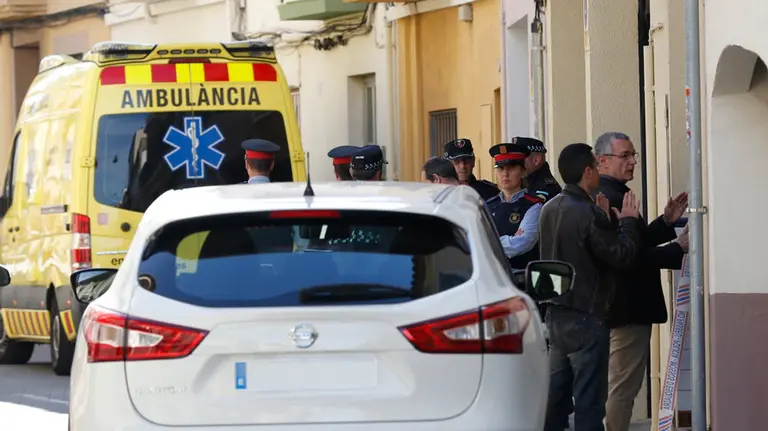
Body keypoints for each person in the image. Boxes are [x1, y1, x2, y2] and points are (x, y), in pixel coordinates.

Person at [538, 142, 644, 431]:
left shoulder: (549, 209)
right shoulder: (587, 212)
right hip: (586, 316)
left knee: (555, 402)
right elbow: (621, 256)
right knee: (588, 403)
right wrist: (627, 223)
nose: (599, 171)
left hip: (556, 315)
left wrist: (605, 222)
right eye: (596, 166)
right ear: (588, 171)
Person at [593, 132, 689, 431]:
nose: (633, 161)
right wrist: (677, 249)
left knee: (618, 385)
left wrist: (665, 223)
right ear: (602, 161)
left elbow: (635, 243)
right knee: (622, 388)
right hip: (626, 306)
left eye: (633, 155)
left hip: (618, 306)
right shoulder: (608, 198)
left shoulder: (612, 193)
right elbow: (627, 257)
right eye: (625, 156)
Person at [484, 143, 544, 270]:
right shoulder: (488, 205)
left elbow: (523, 242)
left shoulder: (533, 206)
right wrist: (511, 239)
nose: (505, 174)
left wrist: (487, 245)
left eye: (511, 168)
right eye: (500, 168)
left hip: (521, 277)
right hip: (492, 275)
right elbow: (476, 239)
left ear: (522, 171)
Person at [515, 136, 563, 202]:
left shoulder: (546, 189)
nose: (515, 162)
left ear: (536, 160)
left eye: (520, 158)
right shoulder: (523, 182)